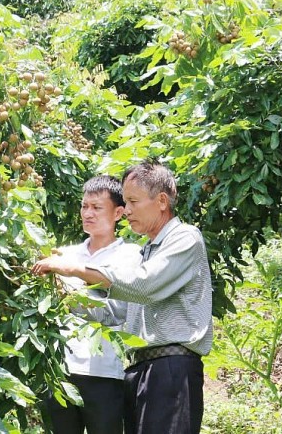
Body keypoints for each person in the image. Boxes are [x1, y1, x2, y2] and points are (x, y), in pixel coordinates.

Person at [32, 159, 213, 434]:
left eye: (133, 201)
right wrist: (61, 292)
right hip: (139, 370)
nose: (126, 211)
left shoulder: (185, 238)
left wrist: (77, 269)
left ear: (162, 201)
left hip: (171, 369)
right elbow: (114, 312)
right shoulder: (148, 250)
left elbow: (144, 285)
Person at [41, 175, 142, 434]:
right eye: (85, 206)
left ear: (118, 212)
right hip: (61, 370)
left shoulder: (130, 256)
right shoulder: (64, 254)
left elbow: (117, 312)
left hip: (106, 373)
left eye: (97, 207)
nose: (88, 213)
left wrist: (69, 289)